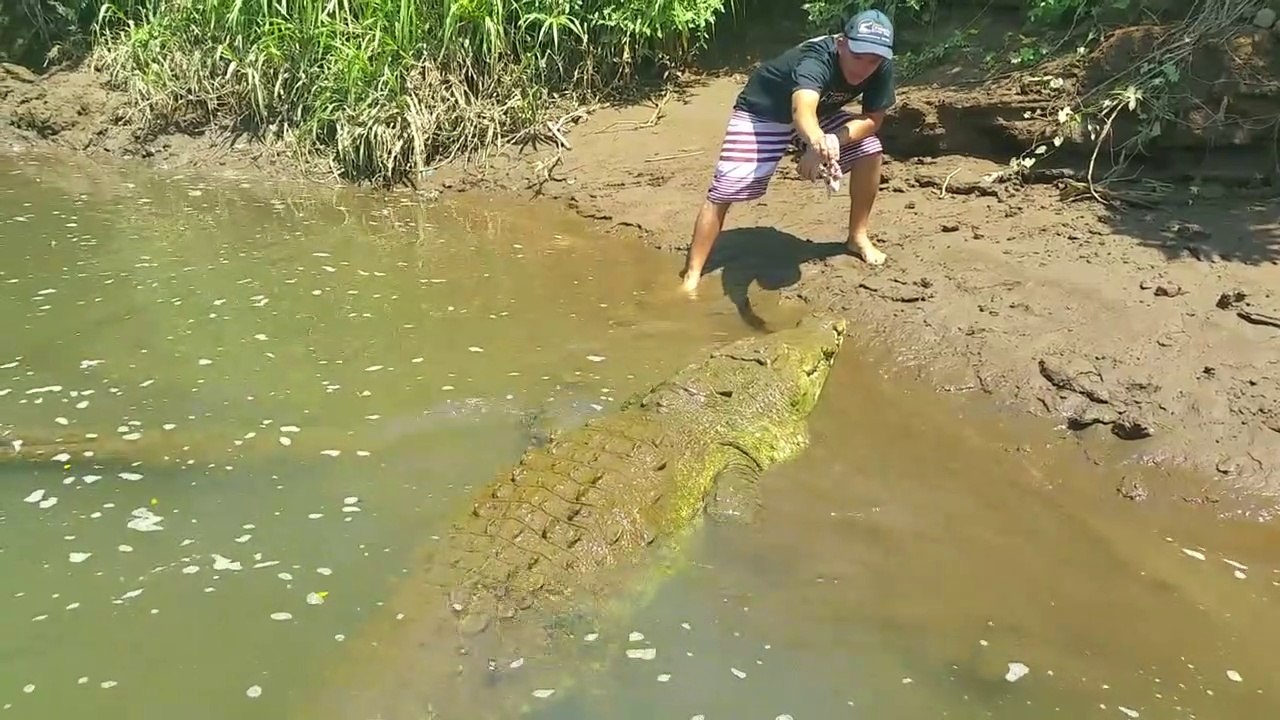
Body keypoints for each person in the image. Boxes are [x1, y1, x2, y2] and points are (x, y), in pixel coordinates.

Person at [679, 9, 898, 295]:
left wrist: (829, 141)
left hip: (819, 116)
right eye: (858, 57)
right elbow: (802, 110)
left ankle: (857, 238)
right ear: (842, 43)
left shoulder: (879, 65)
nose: (864, 67)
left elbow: (873, 120)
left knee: (870, 149)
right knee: (725, 189)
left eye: (874, 60)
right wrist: (818, 143)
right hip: (762, 111)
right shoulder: (817, 58)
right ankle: (692, 275)